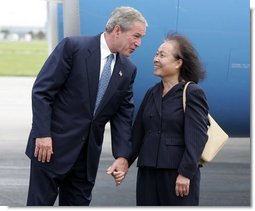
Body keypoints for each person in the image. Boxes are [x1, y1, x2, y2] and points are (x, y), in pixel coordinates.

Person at [25, 6, 147, 206]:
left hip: (86, 159)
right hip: (50, 149)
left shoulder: (128, 69)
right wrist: (42, 134)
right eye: (136, 36)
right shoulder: (73, 47)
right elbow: (42, 91)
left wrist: (122, 155)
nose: (139, 43)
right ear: (117, 30)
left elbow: (123, 115)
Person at [114, 33, 209, 205]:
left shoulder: (192, 93)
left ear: (178, 63)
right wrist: (124, 160)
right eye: (156, 54)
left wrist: (186, 173)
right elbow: (138, 132)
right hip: (148, 173)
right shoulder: (152, 92)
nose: (155, 59)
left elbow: (197, 138)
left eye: (162, 55)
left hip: (177, 175)